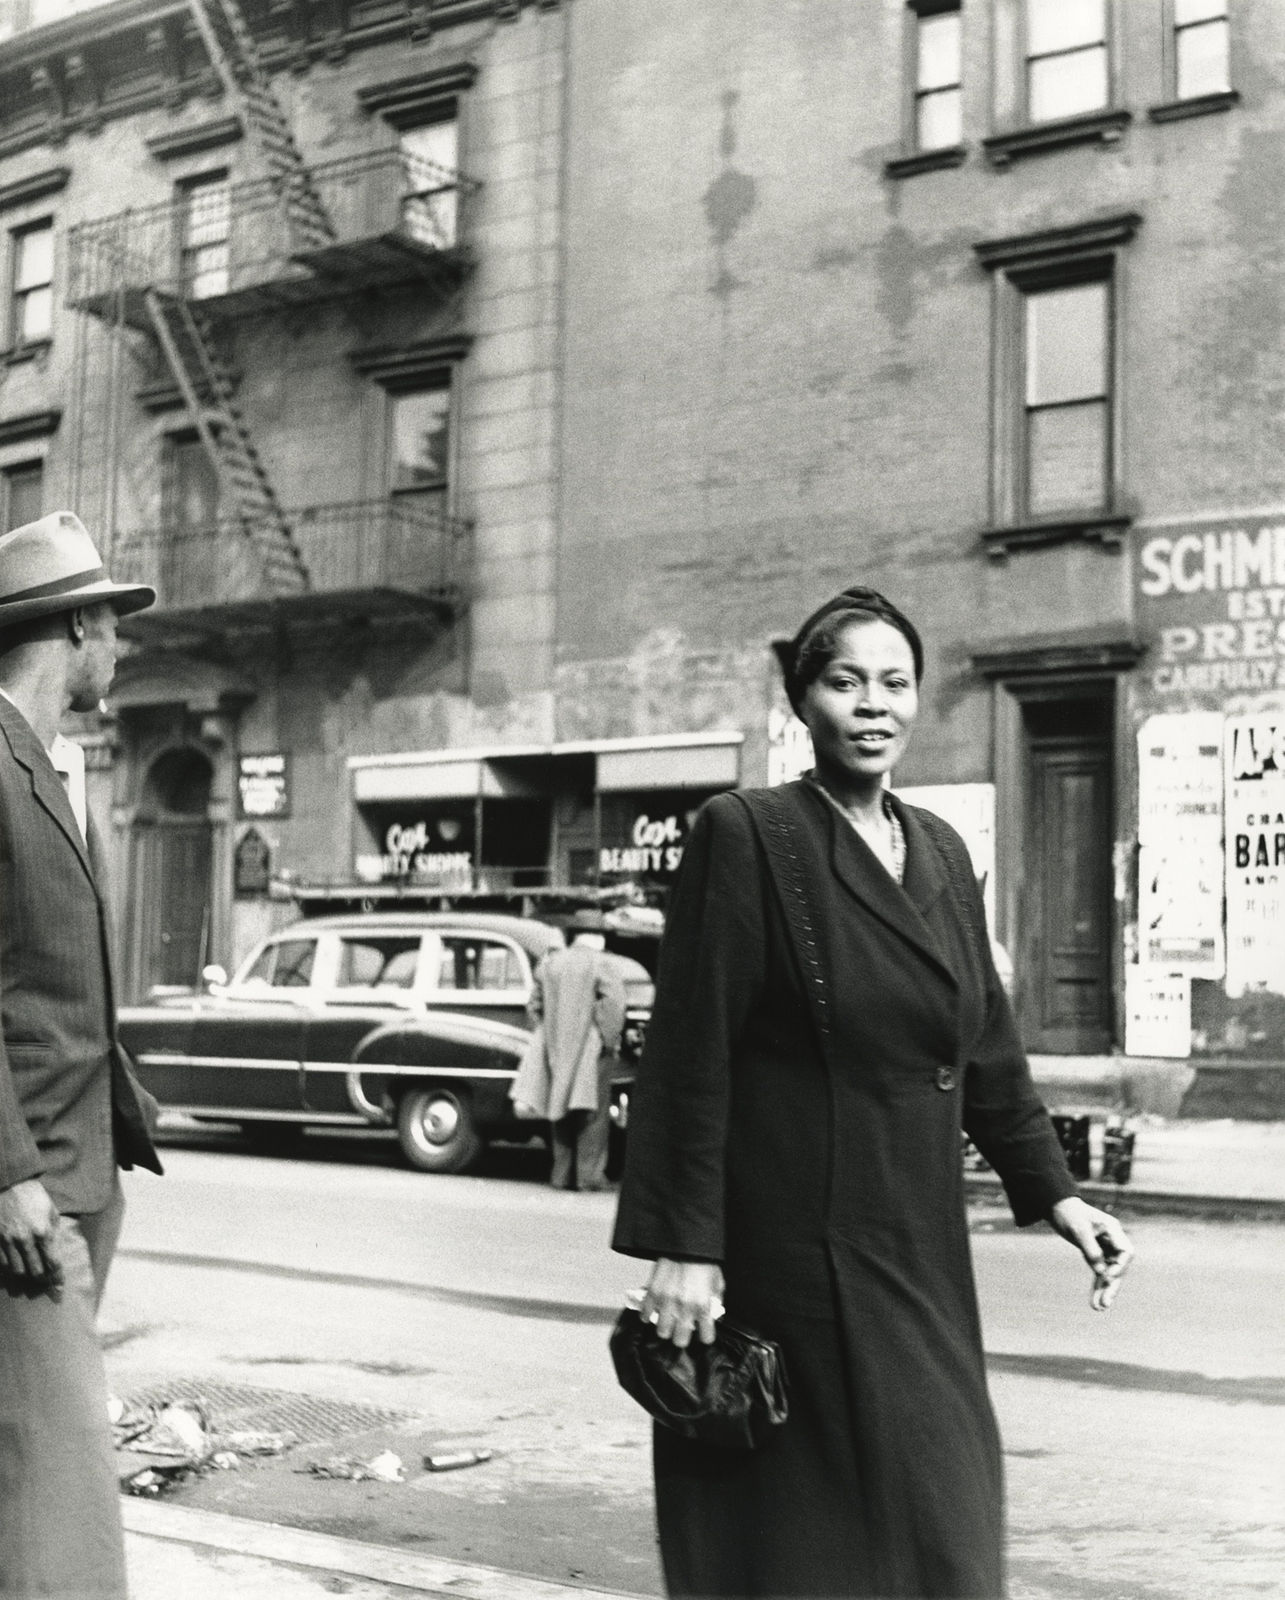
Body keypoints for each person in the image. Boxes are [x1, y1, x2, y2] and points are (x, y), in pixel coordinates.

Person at [612, 586, 1134, 1600]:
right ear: (803, 701)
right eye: (845, 680)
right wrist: (684, 1245)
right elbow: (689, 1050)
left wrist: (1058, 1192)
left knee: (941, 1508)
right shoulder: (748, 832)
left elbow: (984, 1040)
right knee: (801, 1529)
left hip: (915, 1238)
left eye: (894, 682)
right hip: (790, 1246)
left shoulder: (939, 846)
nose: (873, 703)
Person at [0, 511, 164, 1600]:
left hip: (79, 1169)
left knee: (24, 1458)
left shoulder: (52, 774)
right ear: (78, 627)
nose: (125, 651)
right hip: (29, 1186)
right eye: (115, 627)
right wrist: (7, 1168)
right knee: (63, 1488)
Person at [513, 910, 627, 1191]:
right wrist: (608, 1041)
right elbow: (614, 1006)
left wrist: (549, 1031)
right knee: (592, 1114)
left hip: (555, 1047)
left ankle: (561, 1176)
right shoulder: (603, 964)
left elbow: (533, 1007)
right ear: (598, 938)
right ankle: (589, 1177)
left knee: (559, 1108)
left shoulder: (551, 964)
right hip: (591, 1049)